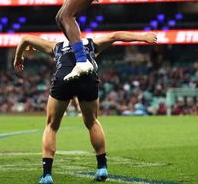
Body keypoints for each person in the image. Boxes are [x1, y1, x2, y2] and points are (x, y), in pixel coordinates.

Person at [14, 31, 157, 184]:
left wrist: (19, 58)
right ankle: (102, 167)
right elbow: (115, 36)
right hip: (87, 77)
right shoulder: (91, 44)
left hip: (64, 76)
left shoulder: (56, 46)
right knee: (92, 122)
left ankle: (47, 175)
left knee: (52, 125)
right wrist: (143, 37)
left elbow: (25, 38)